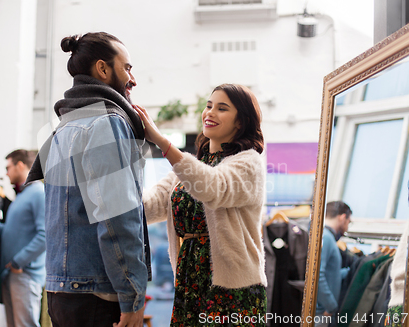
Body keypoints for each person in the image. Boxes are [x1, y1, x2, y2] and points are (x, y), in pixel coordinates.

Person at [26, 32, 150, 327]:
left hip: (63, 289)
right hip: (97, 295)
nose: (133, 79)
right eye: (127, 68)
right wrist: (132, 294)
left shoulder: (64, 126)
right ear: (103, 69)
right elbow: (117, 217)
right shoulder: (106, 122)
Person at [135, 83, 267, 326]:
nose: (210, 113)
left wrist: (162, 143)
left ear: (241, 122)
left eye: (222, 108)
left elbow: (212, 188)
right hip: (190, 278)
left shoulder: (249, 163)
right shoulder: (190, 167)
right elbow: (149, 207)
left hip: (232, 286)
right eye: (209, 106)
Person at [0, 149, 46, 327]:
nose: (6, 173)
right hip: (14, 274)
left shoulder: (39, 193)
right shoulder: (22, 196)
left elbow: (45, 235)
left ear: (20, 165)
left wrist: (18, 263)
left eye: (9, 167)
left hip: (24, 275)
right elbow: (9, 232)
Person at [315, 201, 352, 327]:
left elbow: (330, 274)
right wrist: (331, 306)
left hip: (321, 310)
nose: (348, 226)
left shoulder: (326, 237)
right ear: (342, 218)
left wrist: (349, 271)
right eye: (349, 221)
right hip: (320, 312)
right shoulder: (326, 238)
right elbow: (317, 275)